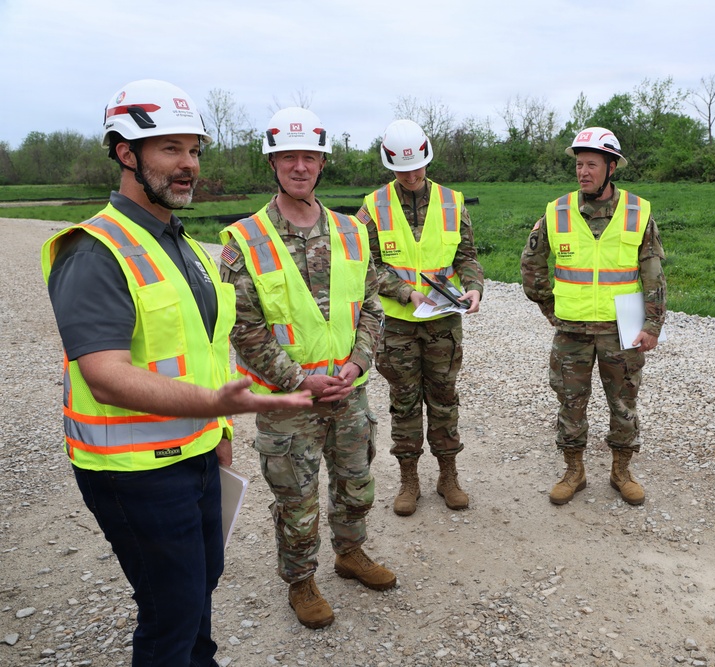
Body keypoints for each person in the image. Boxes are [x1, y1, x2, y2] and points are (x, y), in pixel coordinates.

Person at [40, 79, 313, 667]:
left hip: (192, 452)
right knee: (171, 612)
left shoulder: (177, 240)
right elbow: (106, 375)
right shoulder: (94, 252)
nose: (187, 165)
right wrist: (219, 407)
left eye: (193, 150)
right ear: (125, 153)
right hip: (133, 472)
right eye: (169, 149)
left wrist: (217, 435)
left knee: (199, 586)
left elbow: (201, 348)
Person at [218, 107, 395, 630]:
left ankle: (351, 553)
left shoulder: (351, 231)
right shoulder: (243, 241)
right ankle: (301, 580)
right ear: (273, 162)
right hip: (289, 401)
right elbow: (243, 329)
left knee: (356, 483)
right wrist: (300, 380)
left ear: (322, 163)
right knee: (296, 500)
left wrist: (359, 362)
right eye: (289, 157)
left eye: (310, 157)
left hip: (348, 392)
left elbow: (371, 308)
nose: (300, 166)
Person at [521, 127, 666, 506]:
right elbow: (531, 262)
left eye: (592, 164)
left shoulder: (639, 212)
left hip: (624, 330)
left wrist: (652, 324)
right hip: (572, 330)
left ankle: (621, 471)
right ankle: (574, 471)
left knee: (623, 404)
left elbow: (652, 272)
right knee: (570, 402)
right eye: (579, 164)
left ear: (611, 167)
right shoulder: (557, 210)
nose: (583, 171)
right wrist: (550, 307)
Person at [356, 119, 484, 516]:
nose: (411, 176)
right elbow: (366, 265)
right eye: (402, 169)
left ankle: (449, 476)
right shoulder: (372, 207)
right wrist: (404, 292)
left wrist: (475, 286)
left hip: (444, 322)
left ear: (427, 158)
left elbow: (467, 256)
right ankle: (409, 480)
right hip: (397, 324)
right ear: (389, 166)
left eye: (417, 167)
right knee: (405, 402)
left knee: (444, 399)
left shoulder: (452, 201)